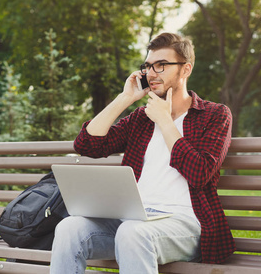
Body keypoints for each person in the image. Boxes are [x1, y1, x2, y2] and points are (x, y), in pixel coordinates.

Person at [50, 32, 236, 274]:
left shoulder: (215, 115)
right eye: (148, 66)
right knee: (69, 228)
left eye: (161, 66)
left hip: (184, 224)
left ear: (185, 69)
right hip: (133, 219)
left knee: (133, 232)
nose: (151, 73)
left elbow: (200, 173)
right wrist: (125, 98)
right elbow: (87, 145)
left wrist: (165, 121)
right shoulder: (141, 119)